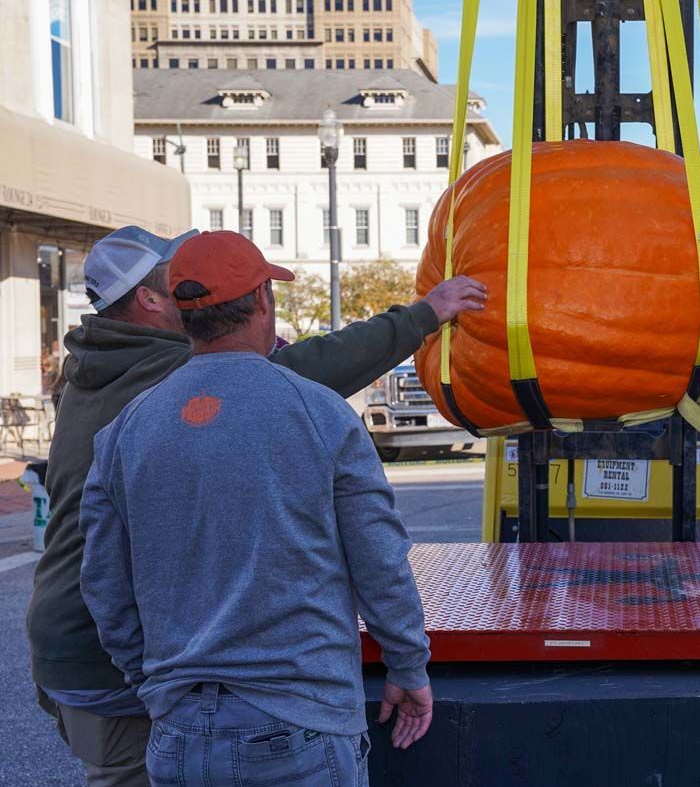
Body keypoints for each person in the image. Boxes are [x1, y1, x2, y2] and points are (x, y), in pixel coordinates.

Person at [26, 225, 485, 786]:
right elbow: (379, 559)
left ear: (186, 307)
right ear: (263, 300)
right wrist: (408, 662)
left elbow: (102, 576)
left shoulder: (117, 401)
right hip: (294, 716)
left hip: (160, 706)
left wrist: (155, 682)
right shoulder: (306, 409)